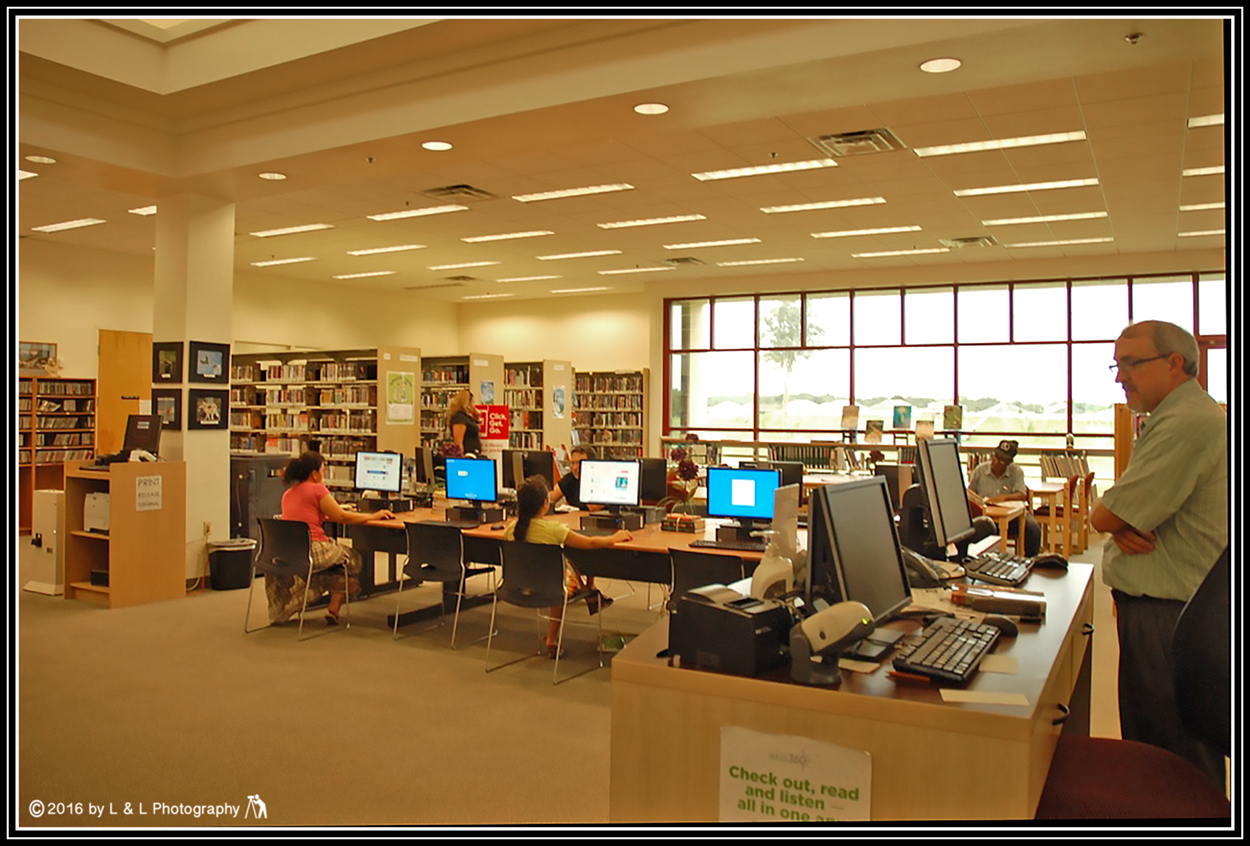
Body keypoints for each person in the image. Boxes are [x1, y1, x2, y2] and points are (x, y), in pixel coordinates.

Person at [1090, 320, 1227, 788]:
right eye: (1117, 364)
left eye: (1131, 363)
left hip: (1168, 617)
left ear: (1175, 364)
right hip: (1171, 609)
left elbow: (1104, 517)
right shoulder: (1177, 417)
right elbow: (1123, 512)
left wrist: (1120, 515)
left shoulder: (1185, 423)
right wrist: (1126, 515)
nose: (1119, 376)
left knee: (1171, 765)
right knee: (1161, 754)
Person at [504, 475, 632, 657]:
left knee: (561, 567)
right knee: (561, 573)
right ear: (545, 504)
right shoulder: (554, 530)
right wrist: (613, 538)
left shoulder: (511, 529)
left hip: (518, 585)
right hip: (551, 588)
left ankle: (591, 594)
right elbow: (590, 543)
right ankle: (553, 637)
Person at [269, 451, 395, 625]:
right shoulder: (317, 489)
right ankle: (336, 585)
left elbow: (309, 514)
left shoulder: (288, 493)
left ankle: (334, 600)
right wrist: (374, 516)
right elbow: (342, 517)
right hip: (314, 550)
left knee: (335, 562)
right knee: (354, 558)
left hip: (289, 552)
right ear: (315, 474)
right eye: (323, 470)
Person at [966, 439, 1042, 557]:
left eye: (1000, 460)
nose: (995, 462)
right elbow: (970, 493)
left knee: (1033, 529)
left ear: (1008, 463)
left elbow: (1021, 494)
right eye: (994, 457)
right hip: (985, 516)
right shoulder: (980, 470)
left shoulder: (1016, 472)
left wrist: (1002, 498)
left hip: (1013, 517)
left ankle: (1030, 560)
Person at [548, 445, 601, 512]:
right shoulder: (570, 479)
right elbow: (551, 497)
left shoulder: (600, 480)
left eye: (579, 463)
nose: (575, 467)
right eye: (573, 463)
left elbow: (593, 508)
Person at [446, 389, 481, 457]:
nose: (474, 405)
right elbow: (458, 442)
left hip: (473, 455)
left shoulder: (467, 417)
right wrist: (461, 458)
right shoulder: (459, 418)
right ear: (467, 402)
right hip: (467, 455)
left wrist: (477, 417)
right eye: (472, 402)